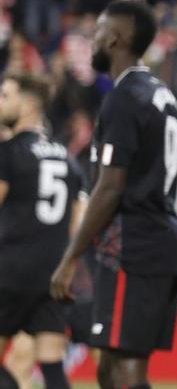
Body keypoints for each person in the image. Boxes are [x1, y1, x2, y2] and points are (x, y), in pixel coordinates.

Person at [49, 0, 177, 389]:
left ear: (116, 37)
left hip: (134, 243)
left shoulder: (124, 97)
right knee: (111, 363)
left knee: (125, 367)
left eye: (98, 32)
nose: (93, 40)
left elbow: (110, 187)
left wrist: (71, 256)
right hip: (159, 238)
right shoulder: (160, 92)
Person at [0, 73, 84, 389]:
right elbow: (79, 221)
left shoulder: (8, 153)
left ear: (29, 104)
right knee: (52, 367)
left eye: (6, 96)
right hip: (53, 275)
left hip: (10, 270)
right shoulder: (68, 159)